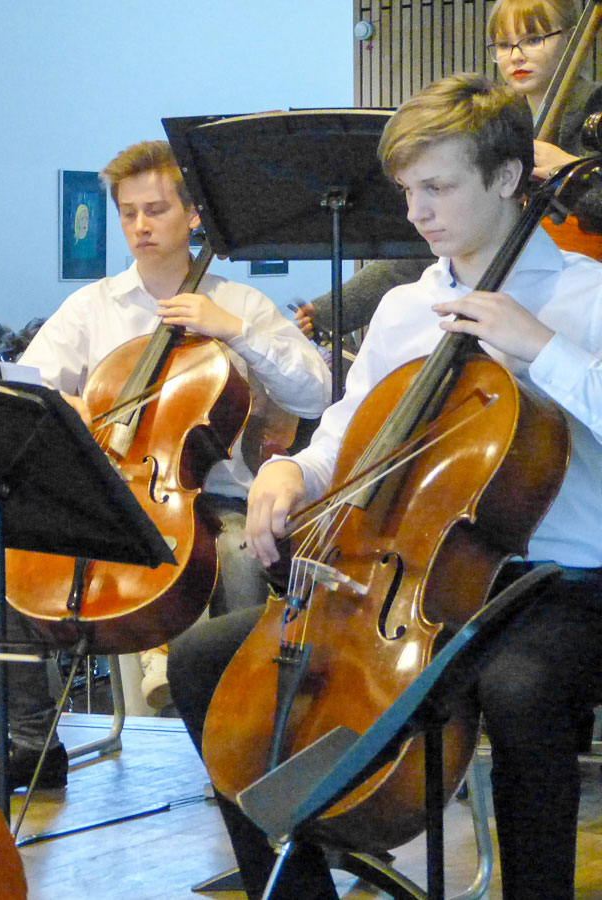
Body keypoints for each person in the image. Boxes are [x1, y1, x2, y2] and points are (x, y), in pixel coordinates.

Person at [170, 74, 602, 900]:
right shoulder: (408, 307)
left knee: (520, 685)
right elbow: (349, 435)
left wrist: (543, 348)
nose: (416, 213)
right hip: (418, 582)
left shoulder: (588, 295)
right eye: (408, 191)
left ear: (507, 178)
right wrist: (290, 471)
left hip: (566, 588)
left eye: (437, 188)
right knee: (202, 662)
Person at [0, 139, 330, 793]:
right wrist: (58, 404)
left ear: (193, 216)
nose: (141, 226)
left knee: (242, 559)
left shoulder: (240, 304)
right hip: (104, 496)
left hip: (211, 500)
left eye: (156, 209)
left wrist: (233, 330)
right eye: (128, 213)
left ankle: (243, 747)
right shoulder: (92, 306)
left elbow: (314, 392)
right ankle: (31, 741)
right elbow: (23, 384)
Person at [297, 0, 602, 343]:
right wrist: (331, 311)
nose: (516, 56)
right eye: (504, 45)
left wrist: (569, 169)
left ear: (571, 38)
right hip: (494, 290)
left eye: (533, 40)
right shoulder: (489, 123)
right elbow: (439, 246)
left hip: (568, 303)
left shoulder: (594, 112)